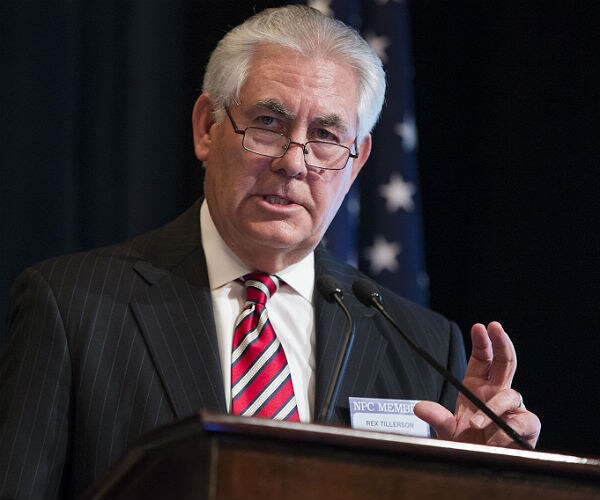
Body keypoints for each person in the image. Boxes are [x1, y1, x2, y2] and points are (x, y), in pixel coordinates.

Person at [0, 5, 540, 498]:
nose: (293, 162)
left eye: (326, 135)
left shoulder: (425, 346)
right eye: (268, 124)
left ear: (356, 161)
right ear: (207, 128)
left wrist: (483, 480)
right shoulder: (72, 307)